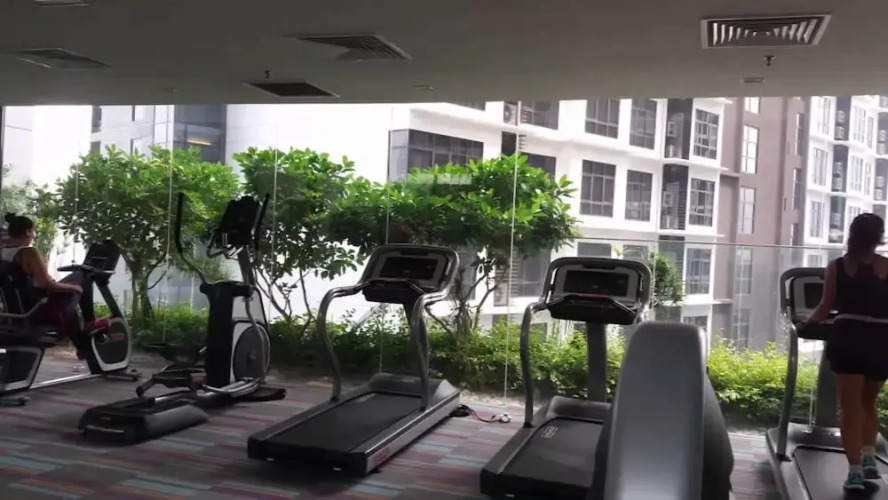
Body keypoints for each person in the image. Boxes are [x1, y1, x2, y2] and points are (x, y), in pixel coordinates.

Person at [806, 212, 888, 491]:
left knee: (850, 407)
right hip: (882, 339)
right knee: (868, 403)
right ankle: (869, 459)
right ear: (878, 237)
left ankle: (854, 473)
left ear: (852, 235)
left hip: (849, 338)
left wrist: (806, 322)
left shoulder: (838, 266)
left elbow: (825, 306)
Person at [0, 213, 107, 355]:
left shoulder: (2, 252)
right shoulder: (28, 253)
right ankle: (90, 323)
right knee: (85, 277)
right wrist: (74, 287)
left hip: (18, 310)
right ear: (28, 231)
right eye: (33, 231)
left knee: (75, 285)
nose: (34, 234)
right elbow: (44, 283)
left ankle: (83, 342)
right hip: (39, 308)